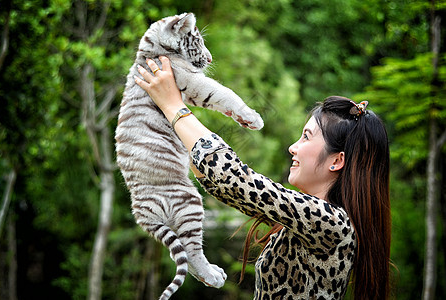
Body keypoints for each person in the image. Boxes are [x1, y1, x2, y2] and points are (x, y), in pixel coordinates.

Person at [134, 56, 391, 300]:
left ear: (337, 160)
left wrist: (173, 106)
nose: (293, 147)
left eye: (306, 137)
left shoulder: (332, 223)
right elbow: (225, 185)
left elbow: (233, 178)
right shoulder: (310, 220)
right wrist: (171, 114)